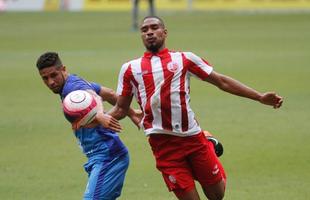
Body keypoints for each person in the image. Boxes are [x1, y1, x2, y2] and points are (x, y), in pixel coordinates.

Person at [108, 16, 283, 200]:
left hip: (192, 138)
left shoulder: (184, 59)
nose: (149, 32)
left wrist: (259, 96)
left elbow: (221, 81)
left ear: (164, 33)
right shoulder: (129, 69)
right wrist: (96, 118)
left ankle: (208, 143)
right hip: (163, 146)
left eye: (154, 27)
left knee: (216, 195)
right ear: (141, 35)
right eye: (144, 30)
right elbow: (121, 109)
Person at [36, 52, 141, 200]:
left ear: (63, 69)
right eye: (45, 78)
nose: (51, 82)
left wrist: (98, 114)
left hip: (108, 157)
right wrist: (131, 113)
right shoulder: (74, 81)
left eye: (54, 75)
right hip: (100, 157)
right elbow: (110, 93)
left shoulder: (73, 88)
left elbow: (95, 96)